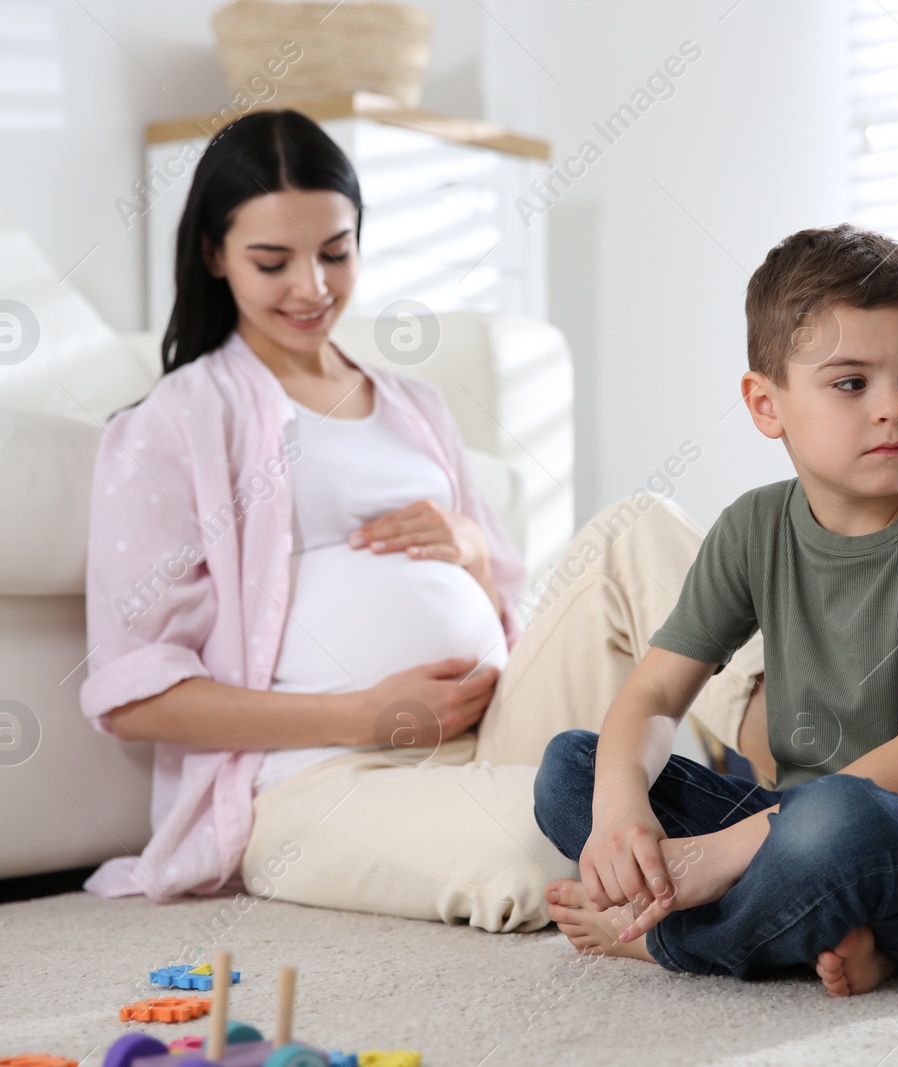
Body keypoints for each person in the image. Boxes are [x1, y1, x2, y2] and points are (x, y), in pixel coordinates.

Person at [77, 109, 768, 932]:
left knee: (637, 525)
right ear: (212, 254)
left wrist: (474, 551)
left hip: (498, 724)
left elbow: (514, 606)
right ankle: (755, 850)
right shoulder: (174, 422)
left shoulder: (416, 406)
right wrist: (361, 715)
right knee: (534, 845)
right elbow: (135, 695)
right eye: (274, 261)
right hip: (322, 776)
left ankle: (799, 763)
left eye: (336, 251)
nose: (313, 287)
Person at [532, 223, 898, 995]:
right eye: (852, 383)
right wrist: (622, 808)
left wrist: (722, 853)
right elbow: (655, 694)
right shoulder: (754, 526)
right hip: (802, 834)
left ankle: (667, 940)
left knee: (838, 822)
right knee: (573, 768)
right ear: (767, 404)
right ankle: (838, 934)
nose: (893, 408)